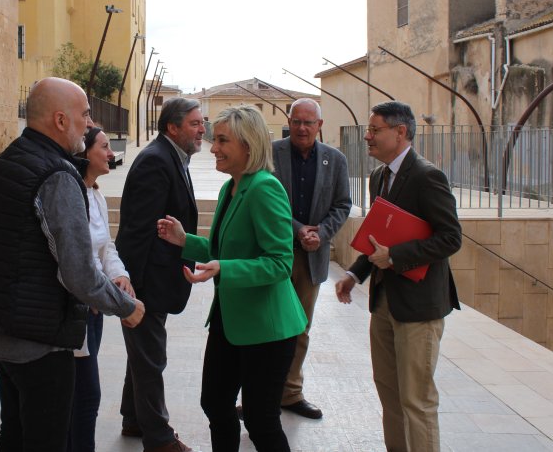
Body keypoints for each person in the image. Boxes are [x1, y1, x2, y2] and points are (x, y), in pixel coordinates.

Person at [0, 77, 145, 452]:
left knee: (14, 434)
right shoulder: (57, 176)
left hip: (0, 330)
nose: (89, 121)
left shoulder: (4, 163)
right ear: (61, 120)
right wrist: (126, 308)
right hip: (40, 343)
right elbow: (79, 273)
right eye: (84, 114)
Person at [158, 105, 307, 452]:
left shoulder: (264, 189)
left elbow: (280, 263)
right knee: (215, 403)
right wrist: (185, 241)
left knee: (260, 420)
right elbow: (221, 248)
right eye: (214, 138)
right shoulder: (232, 188)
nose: (213, 147)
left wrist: (226, 269)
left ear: (248, 145)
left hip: (267, 329)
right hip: (231, 320)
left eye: (222, 140)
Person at [334, 101, 461, 452]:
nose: (368, 137)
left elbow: (451, 238)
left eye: (375, 130)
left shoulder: (427, 176)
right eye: (368, 131)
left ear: (400, 132)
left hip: (419, 307)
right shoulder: (379, 177)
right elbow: (381, 236)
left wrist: (397, 257)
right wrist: (355, 274)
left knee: (416, 401)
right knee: (390, 396)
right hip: (385, 303)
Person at [115, 97, 205, 452]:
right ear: (173, 127)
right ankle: (159, 437)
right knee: (152, 356)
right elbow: (137, 231)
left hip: (157, 280)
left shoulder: (171, 157)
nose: (202, 130)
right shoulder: (156, 161)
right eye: (195, 123)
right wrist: (131, 291)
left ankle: (133, 417)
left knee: (143, 352)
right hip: (146, 283)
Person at [271, 98, 351, 419]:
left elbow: (343, 204)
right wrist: (298, 229)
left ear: (320, 126)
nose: (302, 128)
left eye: (309, 122)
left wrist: (320, 233)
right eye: (296, 121)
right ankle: (258, 394)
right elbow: (264, 200)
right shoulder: (271, 153)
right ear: (288, 122)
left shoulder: (337, 160)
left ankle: (290, 393)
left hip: (310, 257)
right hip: (274, 252)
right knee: (266, 326)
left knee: (299, 327)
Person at [67, 126, 136, 452]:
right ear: (85, 153)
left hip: (93, 307)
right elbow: (76, 260)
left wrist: (119, 275)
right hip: (78, 308)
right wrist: (104, 295)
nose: (111, 153)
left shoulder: (94, 193)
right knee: (84, 395)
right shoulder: (71, 196)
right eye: (105, 147)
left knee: (83, 394)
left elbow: (105, 246)